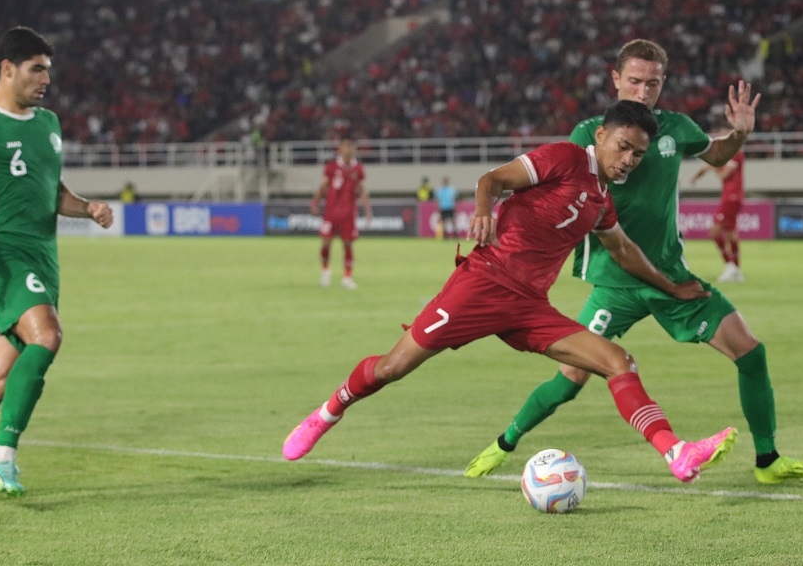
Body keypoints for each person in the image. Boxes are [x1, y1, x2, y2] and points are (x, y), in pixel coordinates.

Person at [283, 100, 738, 485]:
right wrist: (484, 211)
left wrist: (672, 286)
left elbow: (622, 250)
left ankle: (676, 452)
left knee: (618, 362)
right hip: (483, 283)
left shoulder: (602, 198)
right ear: (601, 135)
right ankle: (328, 411)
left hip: (529, 307)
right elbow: (492, 180)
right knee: (392, 367)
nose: (629, 160)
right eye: (623, 147)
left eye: (638, 155)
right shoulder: (564, 157)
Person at [465, 39, 803, 485]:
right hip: (613, 281)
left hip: (672, 277)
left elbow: (715, 155)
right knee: (570, 377)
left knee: (751, 352)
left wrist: (739, 134)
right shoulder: (589, 133)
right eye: (633, 81)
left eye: (651, 83)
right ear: (615, 80)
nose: (642, 91)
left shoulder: (675, 128)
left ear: (663, 84)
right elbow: (546, 185)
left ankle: (769, 460)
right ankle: (504, 443)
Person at [0, 26, 114, 497]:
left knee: (0, 375)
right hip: (3, 256)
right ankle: (4, 458)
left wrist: (87, 207)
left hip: (43, 260)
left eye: (48, 70)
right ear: (7, 69)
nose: (46, 79)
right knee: (47, 334)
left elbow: (50, 192)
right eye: (36, 69)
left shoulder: (49, 124)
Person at [310, 137, 372, 290]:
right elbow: (323, 186)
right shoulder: (331, 167)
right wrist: (315, 203)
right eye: (346, 147)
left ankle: (347, 277)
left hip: (348, 214)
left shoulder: (358, 169)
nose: (349, 150)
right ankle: (325, 272)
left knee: (348, 245)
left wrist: (367, 211)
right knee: (326, 242)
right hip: (331, 213)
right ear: (340, 149)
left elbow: (362, 191)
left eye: (351, 147)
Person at [690, 144, 746, 282]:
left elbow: (723, 175)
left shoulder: (735, 154)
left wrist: (714, 167)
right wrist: (697, 176)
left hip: (731, 198)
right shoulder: (726, 156)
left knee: (715, 232)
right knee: (730, 233)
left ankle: (729, 265)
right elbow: (708, 166)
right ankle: (736, 270)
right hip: (732, 198)